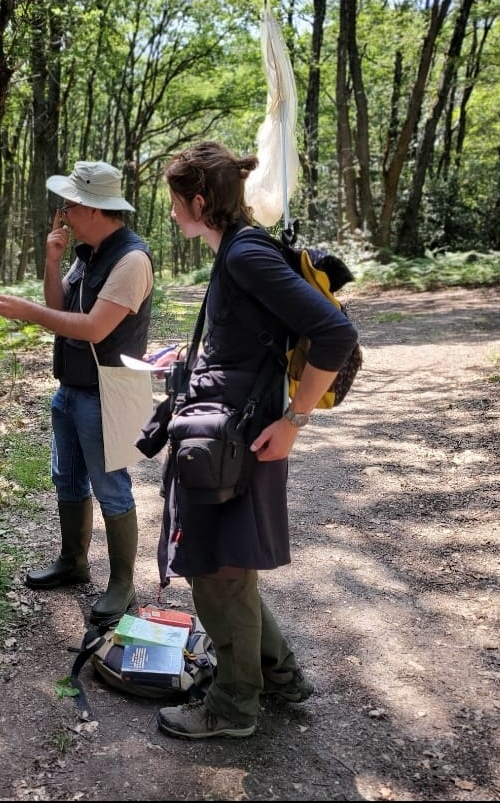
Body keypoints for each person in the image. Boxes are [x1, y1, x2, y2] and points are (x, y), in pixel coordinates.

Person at [152, 141, 358, 739]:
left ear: (196, 201)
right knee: (228, 562)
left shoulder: (244, 254)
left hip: (240, 440)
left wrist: (295, 421)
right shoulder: (235, 254)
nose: (170, 212)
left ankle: (234, 707)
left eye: (173, 201)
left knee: (221, 570)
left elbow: (334, 333)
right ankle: (279, 676)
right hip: (226, 432)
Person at [0, 160, 154, 626]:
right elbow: (59, 306)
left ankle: (122, 584)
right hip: (71, 389)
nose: (63, 214)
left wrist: (26, 312)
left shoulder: (131, 259)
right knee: (68, 478)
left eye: (69, 206)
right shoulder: (90, 252)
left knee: (111, 487)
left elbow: (93, 328)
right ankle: (73, 562)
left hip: (108, 392)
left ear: (94, 209)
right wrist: (51, 261)